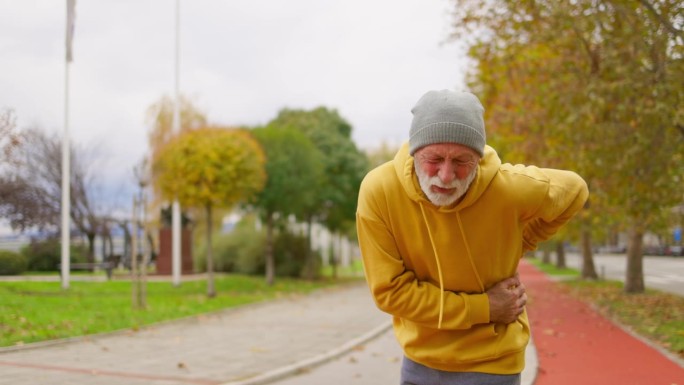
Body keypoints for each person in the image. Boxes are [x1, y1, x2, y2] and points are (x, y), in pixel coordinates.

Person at [356, 89, 589, 385]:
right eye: (435, 158)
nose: (446, 175)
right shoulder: (380, 191)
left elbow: (575, 190)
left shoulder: (508, 188)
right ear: (415, 152)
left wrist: (518, 243)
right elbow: (391, 292)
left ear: (478, 159)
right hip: (420, 362)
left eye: (462, 161)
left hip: (493, 365)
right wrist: (485, 307)